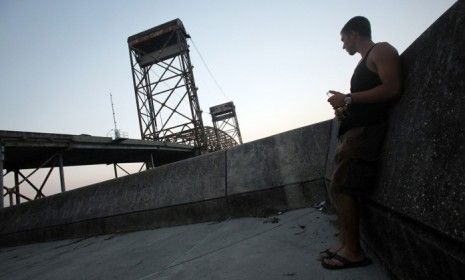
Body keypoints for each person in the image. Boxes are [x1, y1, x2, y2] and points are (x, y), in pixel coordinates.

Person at [320, 16, 402, 269]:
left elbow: (392, 88)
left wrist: (348, 99)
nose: (343, 45)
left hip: (365, 134)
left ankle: (353, 252)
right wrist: (345, 109)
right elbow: (362, 99)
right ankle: (346, 244)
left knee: (344, 189)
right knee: (339, 187)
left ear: (355, 33)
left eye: (344, 39)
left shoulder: (382, 50)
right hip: (355, 132)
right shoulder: (363, 63)